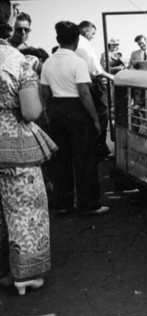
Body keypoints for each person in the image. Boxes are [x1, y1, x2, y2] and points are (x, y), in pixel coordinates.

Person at [0, 0, 58, 295]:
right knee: (25, 210)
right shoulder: (17, 60)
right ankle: (24, 275)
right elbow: (32, 111)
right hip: (14, 148)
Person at [40, 20, 109, 216]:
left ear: (57, 39)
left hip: (56, 109)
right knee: (84, 159)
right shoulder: (78, 62)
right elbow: (84, 93)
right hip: (77, 110)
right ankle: (88, 204)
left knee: (61, 160)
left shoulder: (48, 62)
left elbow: (44, 91)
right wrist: (95, 118)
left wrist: (49, 110)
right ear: (77, 40)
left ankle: (64, 203)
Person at [75, 20, 114, 159]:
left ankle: (98, 147)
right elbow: (96, 69)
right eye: (93, 33)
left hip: (85, 81)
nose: (93, 36)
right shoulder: (84, 44)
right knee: (102, 114)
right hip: (92, 82)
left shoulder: (77, 44)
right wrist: (112, 77)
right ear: (86, 30)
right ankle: (99, 147)